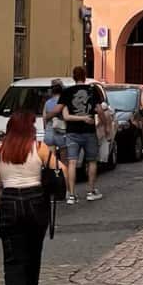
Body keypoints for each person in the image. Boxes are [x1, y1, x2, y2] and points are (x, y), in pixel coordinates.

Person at [0, 109, 56, 285]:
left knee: (13, 261)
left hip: (9, 201)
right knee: (33, 256)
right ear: (30, 128)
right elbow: (61, 170)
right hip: (36, 201)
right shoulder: (39, 147)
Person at [59, 66, 107, 204]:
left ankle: (72, 195)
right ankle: (90, 191)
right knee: (91, 161)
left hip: (72, 132)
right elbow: (99, 110)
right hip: (89, 131)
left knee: (72, 162)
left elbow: (64, 114)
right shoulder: (92, 90)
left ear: (73, 77)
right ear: (85, 76)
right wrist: (105, 124)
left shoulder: (67, 92)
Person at [41, 80, 66, 157]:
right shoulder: (64, 101)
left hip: (49, 132)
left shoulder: (47, 102)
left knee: (51, 159)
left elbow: (44, 118)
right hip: (61, 132)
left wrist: (46, 129)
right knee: (64, 159)